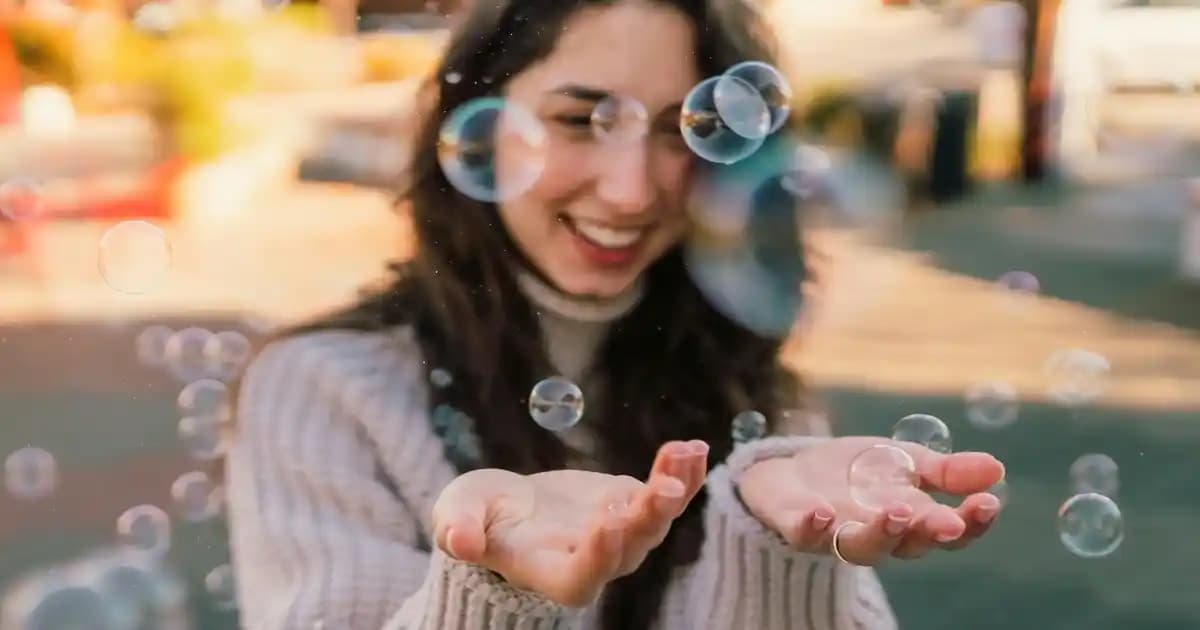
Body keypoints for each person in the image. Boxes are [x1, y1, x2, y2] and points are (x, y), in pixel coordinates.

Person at [226, 1, 1007, 628]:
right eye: (579, 119)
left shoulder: (766, 408)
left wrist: (776, 551)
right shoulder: (320, 390)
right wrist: (491, 595)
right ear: (477, 127)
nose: (632, 191)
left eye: (681, 131)